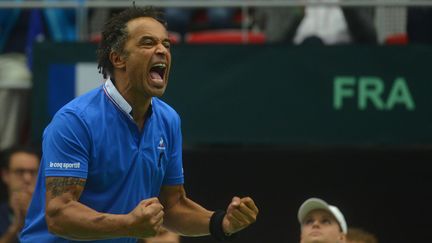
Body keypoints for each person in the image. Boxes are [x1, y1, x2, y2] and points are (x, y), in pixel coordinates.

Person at [20, 5, 258, 243]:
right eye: (147, 43)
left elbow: (172, 206)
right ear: (118, 58)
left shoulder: (169, 120)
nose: (162, 50)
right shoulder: (75, 121)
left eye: (166, 44)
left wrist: (220, 223)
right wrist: (128, 224)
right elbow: (59, 215)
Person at [255, 0, 377, 44]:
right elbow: (274, 43)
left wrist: (347, 4)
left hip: (344, 62)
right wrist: (298, 12)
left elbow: (370, 40)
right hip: (294, 63)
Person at [0, 146, 40, 243]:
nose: (27, 178)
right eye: (20, 172)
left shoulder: (52, 214)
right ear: (5, 175)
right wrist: (15, 227)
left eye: (33, 172)